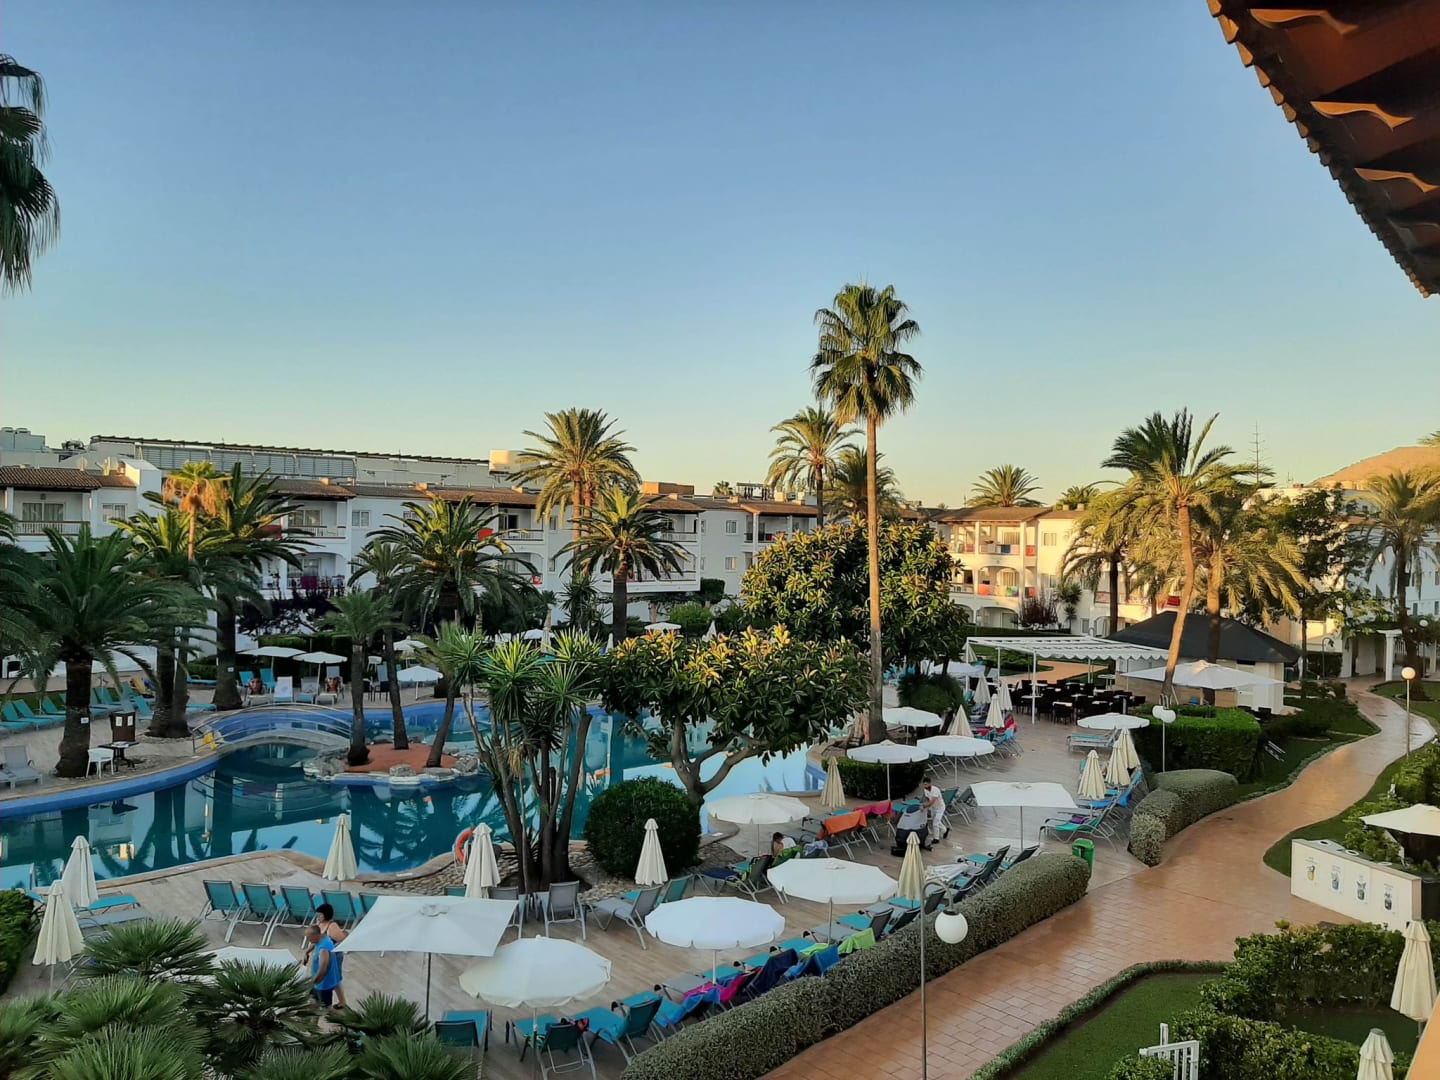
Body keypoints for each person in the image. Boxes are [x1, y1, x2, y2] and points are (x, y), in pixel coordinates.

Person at [314, 903, 349, 1008]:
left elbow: (342, 940)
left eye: (320, 915)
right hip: (323, 956)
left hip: (334, 956)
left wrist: (331, 948)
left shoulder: (332, 926)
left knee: (334, 978)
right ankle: (340, 1001)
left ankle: (340, 1001)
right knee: (332, 978)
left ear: (326, 915)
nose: (318, 917)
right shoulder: (320, 924)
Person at [305, 924, 343, 1007]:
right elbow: (314, 943)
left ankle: (341, 1015)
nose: (308, 940)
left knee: (326, 1008)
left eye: (309, 937)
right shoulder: (324, 938)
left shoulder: (323, 950)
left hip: (323, 984)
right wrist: (306, 952)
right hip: (319, 983)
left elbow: (322, 971)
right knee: (313, 1003)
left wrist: (311, 984)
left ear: (316, 935)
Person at [921, 776, 947, 841]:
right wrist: (925, 806)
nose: (925, 786)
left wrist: (924, 806)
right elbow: (927, 799)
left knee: (935, 823)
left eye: (926, 784)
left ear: (930, 783)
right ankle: (945, 830)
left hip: (940, 808)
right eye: (924, 784)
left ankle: (936, 839)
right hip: (933, 808)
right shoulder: (925, 790)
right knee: (936, 821)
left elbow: (932, 801)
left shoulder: (935, 790)